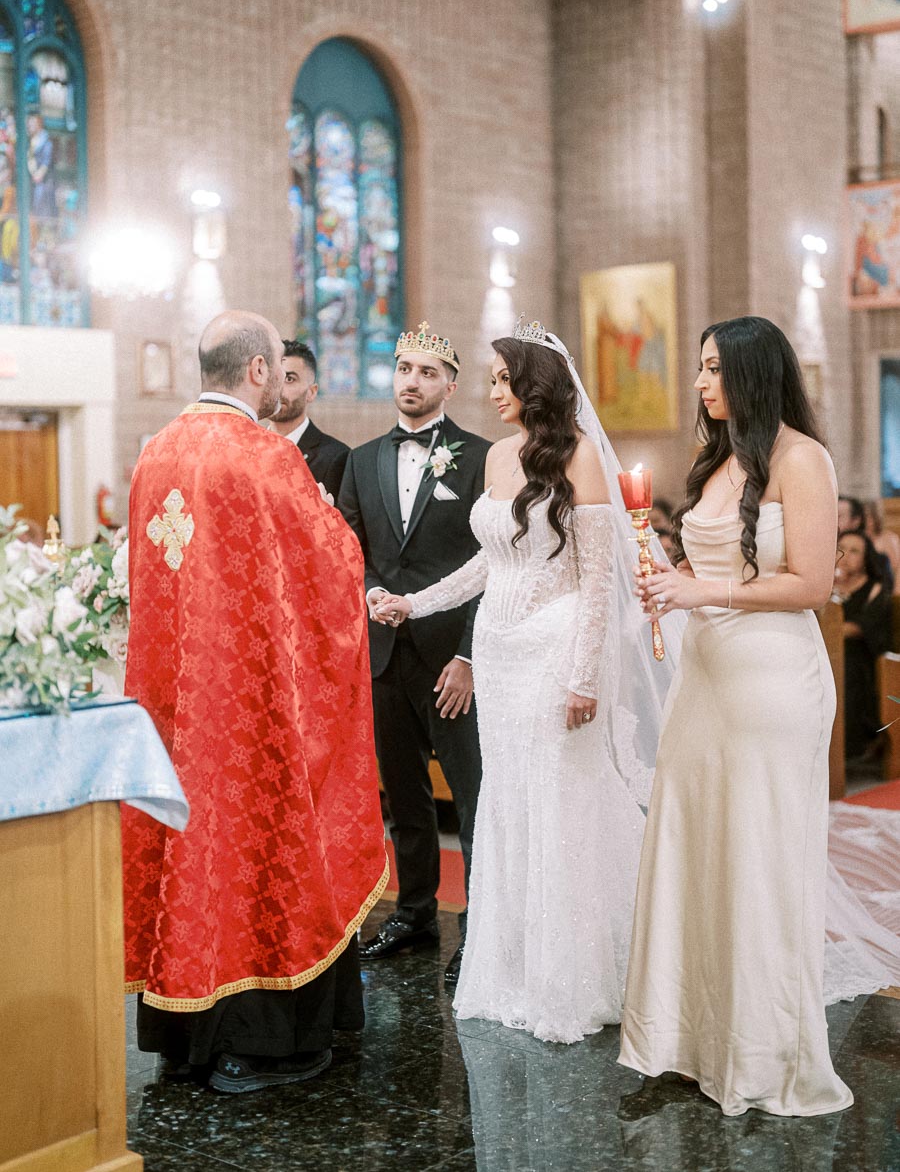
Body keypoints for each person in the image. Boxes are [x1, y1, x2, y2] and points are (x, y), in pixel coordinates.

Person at [374, 319, 675, 1042]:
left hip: (556, 650)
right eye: (491, 380)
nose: (493, 392)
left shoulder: (581, 460)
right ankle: (512, 969)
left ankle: (575, 978)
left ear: (536, 382)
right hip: (502, 655)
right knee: (506, 804)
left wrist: (583, 677)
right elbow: (490, 563)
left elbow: (600, 582)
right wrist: (415, 603)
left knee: (559, 804)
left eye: (504, 379)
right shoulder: (500, 458)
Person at [122, 310, 387, 1094]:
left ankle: (181, 1041)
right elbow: (331, 570)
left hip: (171, 712)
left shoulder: (154, 455)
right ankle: (263, 1043)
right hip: (252, 716)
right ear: (260, 372)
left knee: (188, 854)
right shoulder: (266, 458)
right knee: (255, 858)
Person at [619, 315, 855, 1117]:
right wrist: (665, 573)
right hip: (706, 682)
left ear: (754, 372)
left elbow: (812, 585)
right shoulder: (716, 460)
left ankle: (762, 1054)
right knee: (698, 852)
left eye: (714, 367)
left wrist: (699, 591)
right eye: (698, 367)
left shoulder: (803, 459)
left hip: (772, 683)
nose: (700, 381)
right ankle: (691, 1041)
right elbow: (706, 562)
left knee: (758, 861)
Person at [338, 322, 490, 985]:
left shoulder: (482, 457)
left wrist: (470, 657)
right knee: (404, 796)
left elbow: (499, 563)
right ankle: (418, 911)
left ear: (449, 385)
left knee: (474, 794)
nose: (412, 382)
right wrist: (368, 590)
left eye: (428, 372)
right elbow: (350, 544)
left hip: (450, 655)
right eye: (404, 369)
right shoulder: (363, 458)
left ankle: (484, 927)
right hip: (383, 652)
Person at [833, 529, 892, 759]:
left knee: (847, 670)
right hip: (832, 653)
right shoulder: (827, 584)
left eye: (855, 551)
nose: (846, 555)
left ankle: (849, 747)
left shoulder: (874, 588)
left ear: (867, 557)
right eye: (842, 549)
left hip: (864, 659)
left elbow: (861, 627)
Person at [269, 338, 349, 501]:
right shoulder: (249, 448)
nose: (278, 389)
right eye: (274, 378)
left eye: (289, 379)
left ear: (311, 392)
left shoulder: (337, 457)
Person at [864, 498, 900, 588]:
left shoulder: (889, 538)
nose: (865, 519)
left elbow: (896, 567)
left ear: (876, 516)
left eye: (868, 515)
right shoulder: (857, 538)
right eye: (863, 516)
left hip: (884, 583)